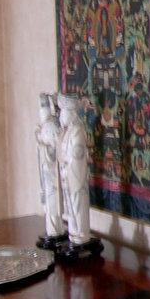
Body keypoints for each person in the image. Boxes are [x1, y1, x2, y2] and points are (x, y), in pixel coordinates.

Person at [57, 94, 92, 247]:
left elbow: (77, 155)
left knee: (78, 203)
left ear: (72, 114)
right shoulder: (68, 132)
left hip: (75, 174)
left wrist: (67, 162)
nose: (61, 117)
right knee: (71, 205)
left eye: (63, 113)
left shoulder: (78, 131)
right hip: (67, 173)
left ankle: (81, 233)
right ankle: (74, 232)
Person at [35, 93, 63, 243]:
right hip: (46, 171)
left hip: (52, 171)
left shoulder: (51, 126)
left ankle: (56, 228)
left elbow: (54, 151)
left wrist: (43, 146)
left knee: (53, 202)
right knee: (48, 201)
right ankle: (52, 228)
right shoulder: (43, 127)